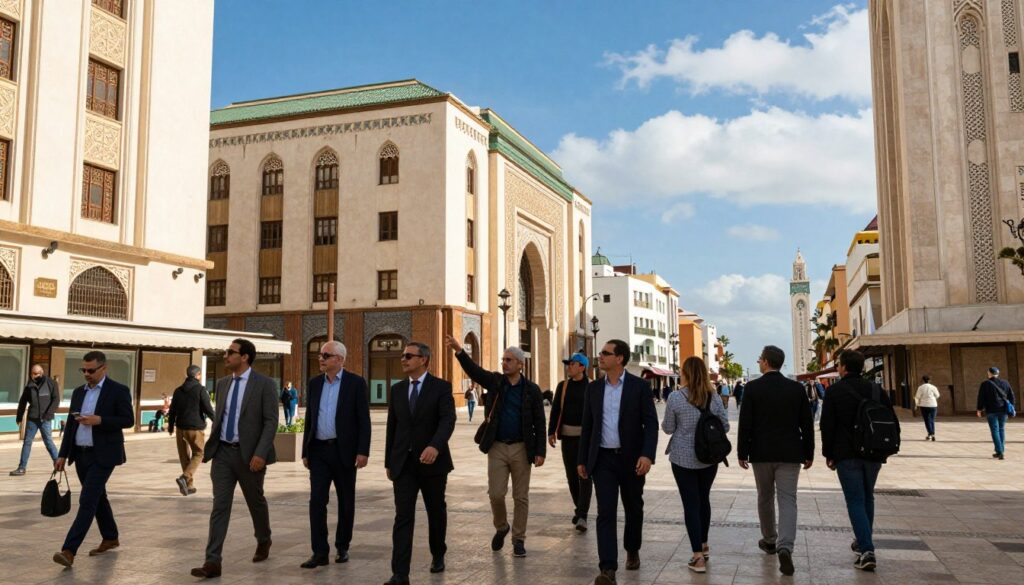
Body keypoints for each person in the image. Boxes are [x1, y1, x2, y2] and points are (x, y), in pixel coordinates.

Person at [446, 335, 546, 558]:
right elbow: (475, 371)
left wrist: (540, 451)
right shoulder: (496, 383)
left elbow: (540, 421)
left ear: (520, 364)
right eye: (503, 359)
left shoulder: (532, 390)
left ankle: (519, 539)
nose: (504, 363)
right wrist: (460, 351)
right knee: (496, 494)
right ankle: (501, 526)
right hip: (498, 447)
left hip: (522, 448)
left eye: (509, 360)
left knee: (521, 497)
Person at [191, 339, 279, 579]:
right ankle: (212, 562)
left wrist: (260, 453)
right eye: (226, 352)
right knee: (220, 506)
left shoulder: (265, 384)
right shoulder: (222, 384)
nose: (225, 355)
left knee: (255, 501)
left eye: (231, 352)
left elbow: (271, 421)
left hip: (250, 455)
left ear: (245, 357)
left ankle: (264, 539)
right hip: (223, 454)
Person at [578, 340, 658, 585]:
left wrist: (647, 455)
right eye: (601, 353)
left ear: (620, 358)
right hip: (603, 460)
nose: (600, 357)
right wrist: (582, 459)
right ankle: (608, 568)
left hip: (632, 459)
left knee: (634, 507)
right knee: (605, 512)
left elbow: (651, 424)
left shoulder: (639, 387)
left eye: (605, 353)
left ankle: (632, 548)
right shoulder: (593, 389)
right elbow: (588, 426)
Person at [51, 351, 135, 567]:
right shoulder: (79, 393)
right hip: (81, 454)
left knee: (87, 500)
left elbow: (128, 420)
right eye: (84, 370)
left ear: (103, 368)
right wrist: (62, 454)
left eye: (91, 370)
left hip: (104, 455)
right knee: (98, 497)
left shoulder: (118, 390)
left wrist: (101, 420)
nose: (86, 374)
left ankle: (69, 550)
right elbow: (71, 425)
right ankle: (110, 536)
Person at [736, 345, 814, 577]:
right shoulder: (796, 389)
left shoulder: (752, 388)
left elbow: (745, 423)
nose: (758, 362)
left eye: (760, 359)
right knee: (788, 499)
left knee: (765, 496)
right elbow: (806, 423)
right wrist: (808, 452)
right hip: (790, 453)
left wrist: (742, 452)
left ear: (767, 362)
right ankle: (785, 546)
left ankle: (770, 539)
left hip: (761, 453)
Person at [384, 342, 456, 585]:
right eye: (403, 355)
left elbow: (447, 420)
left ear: (423, 359)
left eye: (408, 356)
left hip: (432, 464)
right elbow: (392, 428)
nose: (403, 359)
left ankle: (438, 553)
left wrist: (435, 445)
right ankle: (400, 574)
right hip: (403, 464)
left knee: (436, 511)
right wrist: (389, 462)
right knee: (403, 517)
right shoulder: (397, 390)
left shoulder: (441, 388)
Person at [300, 341, 371, 568]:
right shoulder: (314, 384)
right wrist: (305, 450)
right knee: (317, 502)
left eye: (326, 355)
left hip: (344, 452)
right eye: (321, 355)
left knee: (345, 501)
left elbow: (364, 421)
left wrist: (362, 451)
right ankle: (319, 551)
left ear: (339, 359)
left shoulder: (356, 383)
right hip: (319, 451)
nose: (320, 358)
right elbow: (310, 418)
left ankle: (343, 546)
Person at [821, 350, 891, 572]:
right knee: (867, 497)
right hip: (873, 452)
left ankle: (867, 548)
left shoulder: (835, 392)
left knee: (855, 500)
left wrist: (828, 453)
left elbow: (827, 425)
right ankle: (863, 543)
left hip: (846, 454)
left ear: (843, 367)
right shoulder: (876, 389)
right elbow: (888, 419)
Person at [662, 356, 728, 574]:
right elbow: (725, 426)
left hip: (682, 458)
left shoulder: (675, 397)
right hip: (709, 458)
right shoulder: (714, 397)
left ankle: (697, 557)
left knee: (691, 504)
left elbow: (668, 428)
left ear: (687, 373)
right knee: (703, 500)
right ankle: (705, 544)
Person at [548, 352, 593, 533]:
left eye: (572, 364)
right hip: (567, 437)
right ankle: (579, 508)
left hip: (586, 439)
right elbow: (556, 409)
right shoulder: (563, 386)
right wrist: (551, 431)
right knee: (571, 477)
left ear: (582, 367)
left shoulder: (592, 387)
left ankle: (582, 515)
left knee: (584, 475)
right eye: (568, 364)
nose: (569, 367)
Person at [167, 365, 215, 496]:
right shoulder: (200, 390)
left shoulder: (178, 391)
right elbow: (207, 409)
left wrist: (171, 427)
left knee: (184, 456)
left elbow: (172, 411)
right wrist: (217, 421)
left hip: (180, 428)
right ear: (198, 375)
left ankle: (188, 486)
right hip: (195, 428)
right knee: (199, 454)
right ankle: (185, 477)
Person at [11, 364, 60, 476]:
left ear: (41, 373)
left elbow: (56, 400)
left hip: (45, 419)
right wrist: (19, 416)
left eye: (36, 374)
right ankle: (22, 468)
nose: (34, 376)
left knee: (48, 442)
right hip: (32, 418)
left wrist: (48, 414)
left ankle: (58, 464)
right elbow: (23, 401)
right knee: (27, 442)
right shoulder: (30, 385)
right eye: (32, 374)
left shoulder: (51, 383)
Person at [976, 366, 1016, 460]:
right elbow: (1011, 396)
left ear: (989, 373)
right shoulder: (1005, 383)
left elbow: (981, 397)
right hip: (1003, 410)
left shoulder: (985, 384)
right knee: (1001, 429)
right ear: (997, 374)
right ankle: (1000, 450)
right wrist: (1012, 407)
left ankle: (999, 451)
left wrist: (979, 409)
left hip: (991, 411)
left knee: (995, 430)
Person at [914, 375, 940, 441]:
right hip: (933, 405)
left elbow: (917, 397)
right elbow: (937, 395)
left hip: (924, 405)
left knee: (927, 420)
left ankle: (930, 433)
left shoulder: (920, 387)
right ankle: (932, 434)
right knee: (932, 420)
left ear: (922, 380)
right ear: (930, 380)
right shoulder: (933, 387)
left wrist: (916, 405)